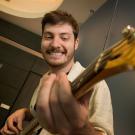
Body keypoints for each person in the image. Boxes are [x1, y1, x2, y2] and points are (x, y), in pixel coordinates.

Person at [0, 10, 114, 135]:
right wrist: (24, 113)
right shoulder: (45, 79)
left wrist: (79, 130)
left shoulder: (95, 84)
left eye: (64, 38)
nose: (55, 44)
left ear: (76, 44)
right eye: (48, 37)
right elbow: (42, 118)